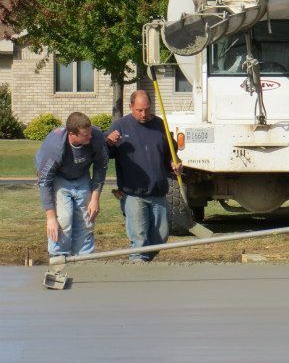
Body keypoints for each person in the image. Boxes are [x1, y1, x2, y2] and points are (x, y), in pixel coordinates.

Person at [105, 90, 181, 262]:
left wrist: (175, 163)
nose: (144, 114)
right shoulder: (120, 126)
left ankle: (146, 265)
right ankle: (138, 268)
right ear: (131, 106)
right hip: (133, 194)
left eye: (147, 109)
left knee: (160, 238)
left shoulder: (160, 124)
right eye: (139, 110)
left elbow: (170, 153)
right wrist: (109, 142)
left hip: (158, 192)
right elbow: (105, 154)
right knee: (139, 240)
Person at [35, 111, 108, 257]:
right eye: (85, 135)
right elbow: (44, 182)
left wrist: (95, 199)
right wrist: (50, 218)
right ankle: (58, 259)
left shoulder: (96, 136)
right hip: (59, 177)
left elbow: (101, 166)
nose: (90, 136)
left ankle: (83, 258)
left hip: (81, 176)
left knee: (87, 218)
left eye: (90, 133)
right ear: (72, 134)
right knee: (63, 220)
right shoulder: (54, 147)